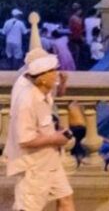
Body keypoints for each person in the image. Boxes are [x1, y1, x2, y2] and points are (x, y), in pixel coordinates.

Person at [6, 54, 75, 211]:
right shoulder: (26, 101)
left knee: (65, 198)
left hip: (50, 161)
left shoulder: (43, 92)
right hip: (34, 167)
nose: (57, 73)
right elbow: (25, 140)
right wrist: (56, 139)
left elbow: (57, 96)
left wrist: (56, 137)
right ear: (42, 78)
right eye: (53, 70)